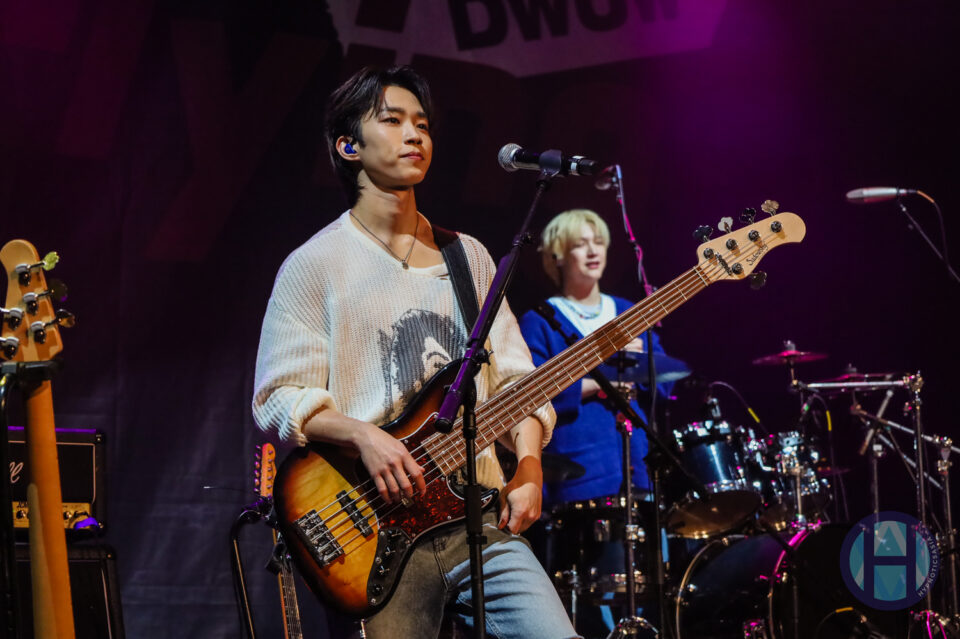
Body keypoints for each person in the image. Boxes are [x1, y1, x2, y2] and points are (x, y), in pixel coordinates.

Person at [251, 65, 579, 639]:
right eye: (394, 120)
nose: (415, 135)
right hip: (375, 527)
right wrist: (364, 436)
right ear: (348, 145)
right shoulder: (314, 265)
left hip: (477, 515)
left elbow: (515, 381)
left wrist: (528, 466)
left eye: (422, 124)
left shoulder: (467, 256)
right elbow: (279, 396)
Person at [519, 209, 672, 509]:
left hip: (640, 469)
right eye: (579, 244)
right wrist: (608, 379)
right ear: (557, 256)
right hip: (577, 473)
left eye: (598, 241)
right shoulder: (539, 321)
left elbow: (665, 383)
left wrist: (638, 367)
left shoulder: (630, 312)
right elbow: (530, 396)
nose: (592, 251)